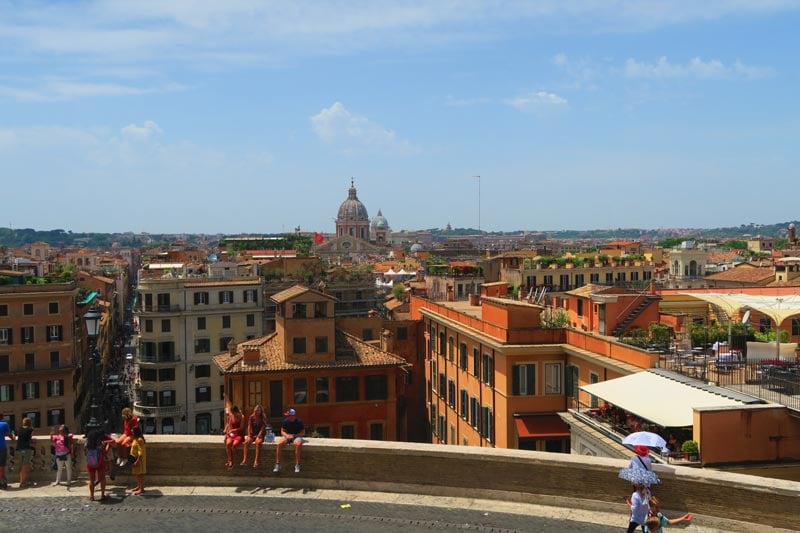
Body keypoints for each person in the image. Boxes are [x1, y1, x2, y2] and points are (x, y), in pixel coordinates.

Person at [274, 408, 305, 474]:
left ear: (292, 415)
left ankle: (297, 465)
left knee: (298, 444)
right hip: (287, 436)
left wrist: (294, 436)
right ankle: (278, 464)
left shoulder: (299, 421)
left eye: (288, 415)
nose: (287, 416)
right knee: (279, 443)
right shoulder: (285, 421)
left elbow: (303, 433)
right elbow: (282, 431)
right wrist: (287, 436)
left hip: (296, 436)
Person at [85, 427, 112, 501]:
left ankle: (92, 496)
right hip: (100, 462)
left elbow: (85, 453)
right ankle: (102, 495)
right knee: (102, 478)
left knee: (91, 480)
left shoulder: (87, 445)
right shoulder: (100, 445)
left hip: (90, 462)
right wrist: (108, 445)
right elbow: (105, 452)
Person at [50, 424, 74, 489]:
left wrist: (72, 452)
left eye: (62, 427)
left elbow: (71, 443)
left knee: (68, 468)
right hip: (58, 454)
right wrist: (51, 435)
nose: (60, 428)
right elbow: (52, 441)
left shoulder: (68, 436)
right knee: (59, 468)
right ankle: (57, 481)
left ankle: (69, 480)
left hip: (66, 453)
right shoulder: (57, 437)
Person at [16, 417, 35, 488]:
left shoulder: (19, 429)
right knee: (25, 467)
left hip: (19, 449)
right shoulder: (30, 429)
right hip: (26, 449)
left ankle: (22, 481)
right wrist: (33, 441)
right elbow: (30, 439)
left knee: (21, 467)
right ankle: (22, 483)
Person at [129, 425, 147, 495]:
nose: (131, 431)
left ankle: (141, 489)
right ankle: (138, 486)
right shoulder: (135, 439)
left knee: (140, 474)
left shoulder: (140, 440)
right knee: (137, 473)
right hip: (134, 458)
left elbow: (140, 452)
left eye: (132, 430)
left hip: (139, 459)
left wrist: (137, 461)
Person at [0, 412, 15, 489]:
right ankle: (1, 482)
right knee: (1, 466)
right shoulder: (4, 424)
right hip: (2, 448)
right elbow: (9, 435)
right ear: (2, 418)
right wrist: (13, 438)